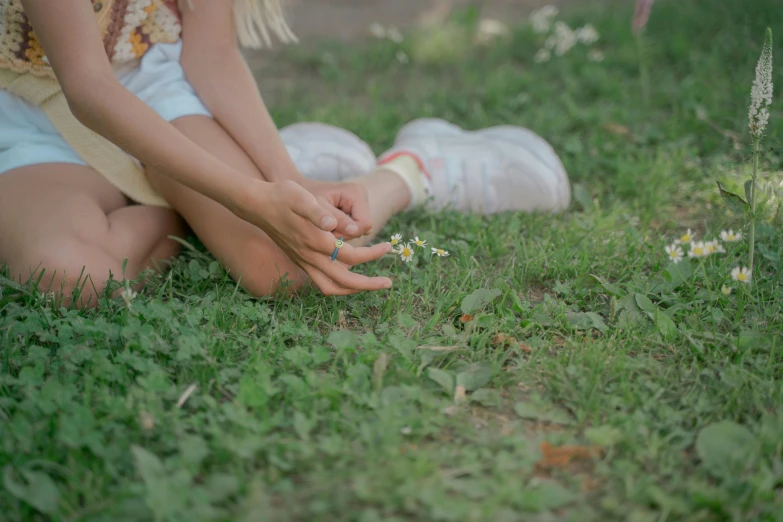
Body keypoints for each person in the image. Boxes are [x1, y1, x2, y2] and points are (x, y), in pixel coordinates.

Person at [0, 0, 571, 306]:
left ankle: (416, 167)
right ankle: (193, 188)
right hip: (28, 106)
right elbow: (87, 87)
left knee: (292, 267)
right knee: (67, 277)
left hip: (152, 84)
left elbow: (214, 53)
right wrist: (247, 196)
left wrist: (285, 179)